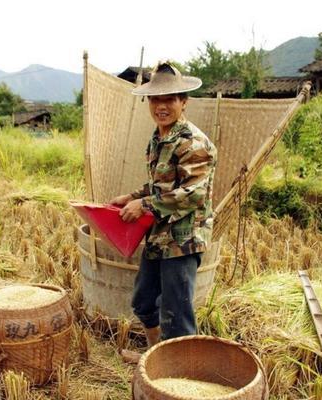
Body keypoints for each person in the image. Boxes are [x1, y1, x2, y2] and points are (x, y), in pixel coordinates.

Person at [110, 61, 217, 358]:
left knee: (176, 315)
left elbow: (192, 195)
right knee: (143, 303)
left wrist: (143, 204)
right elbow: (161, 185)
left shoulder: (193, 142)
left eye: (170, 99)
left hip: (183, 240)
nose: (162, 105)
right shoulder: (158, 139)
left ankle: (178, 375)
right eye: (156, 99)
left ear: (184, 102)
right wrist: (131, 196)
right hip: (159, 235)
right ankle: (155, 358)